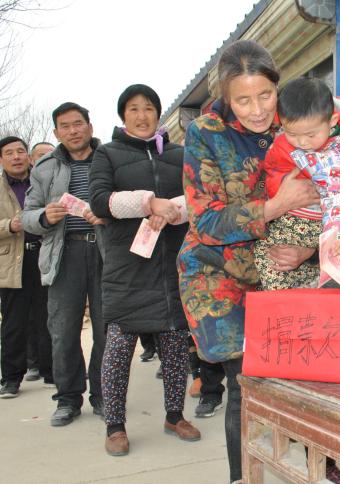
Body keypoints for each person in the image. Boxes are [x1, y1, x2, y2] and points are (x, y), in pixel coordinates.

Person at [178, 39, 323, 483]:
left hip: (286, 263)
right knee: (249, 383)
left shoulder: (299, 119)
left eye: (265, 95)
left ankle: (323, 465)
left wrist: (309, 248)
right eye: (243, 99)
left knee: (307, 378)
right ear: (225, 95)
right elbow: (205, 222)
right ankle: (244, 477)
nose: (257, 109)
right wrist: (276, 206)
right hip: (219, 272)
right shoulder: (206, 133)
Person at [89, 84, 200, 456]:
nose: (142, 115)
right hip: (128, 265)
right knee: (119, 349)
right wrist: (149, 202)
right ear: (123, 115)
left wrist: (173, 210)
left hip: (172, 261)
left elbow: (199, 196)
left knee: (174, 347)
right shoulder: (107, 153)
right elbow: (100, 201)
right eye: (133, 109)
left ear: (158, 114)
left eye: (149, 108)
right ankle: (115, 425)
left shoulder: (179, 153)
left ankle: (174, 415)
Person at [22, 102, 106, 426]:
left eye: (78, 124)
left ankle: (103, 395)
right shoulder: (45, 167)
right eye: (65, 126)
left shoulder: (108, 158)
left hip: (104, 252)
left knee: (107, 329)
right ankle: (68, 399)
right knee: (63, 330)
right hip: (64, 253)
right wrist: (44, 216)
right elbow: (26, 215)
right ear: (57, 132)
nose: (73, 131)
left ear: (89, 126)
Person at [255, 77, 340, 289]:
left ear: (332, 122)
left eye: (310, 135)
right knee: (278, 272)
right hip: (282, 219)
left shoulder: (338, 156)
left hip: (310, 223)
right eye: (292, 133)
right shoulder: (287, 134)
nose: (302, 142)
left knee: (274, 269)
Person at [0, 136, 49, 397]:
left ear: (28, 156)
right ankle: (10, 378)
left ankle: (52, 371)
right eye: (9, 153)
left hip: (43, 256)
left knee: (49, 317)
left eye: (21, 151)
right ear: (1, 159)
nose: (16, 157)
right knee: (13, 322)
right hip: (12, 260)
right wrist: (9, 225)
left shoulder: (40, 181)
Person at [25, 141, 55, 383]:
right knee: (26, 315)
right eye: (41, 156)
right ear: (31, 160)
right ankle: (32, 363)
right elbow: (26, 217)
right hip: (21, 256)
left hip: (53, 252)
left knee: (50, 312)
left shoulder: (63, 177)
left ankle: (49, 368)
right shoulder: (35, 184)